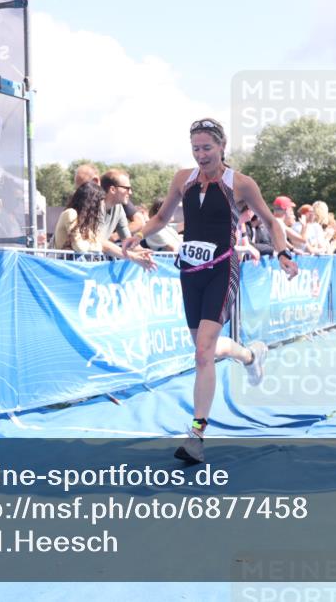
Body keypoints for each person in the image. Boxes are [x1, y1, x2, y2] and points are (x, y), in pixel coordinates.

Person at [125, 118, 298, 464]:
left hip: (223, 267)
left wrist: (282, 252)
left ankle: (196, 436)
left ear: (222, 147)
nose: (201, 155)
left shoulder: (241, 184)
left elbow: (270, 221)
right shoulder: (182, 179)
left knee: (203, 352)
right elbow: (161, 218)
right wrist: (136, 236)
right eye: (195, 148)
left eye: (207, 148)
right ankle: (250, 355)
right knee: (205, 349)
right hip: (190, 270)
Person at [54, 181, 106, 253]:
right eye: (100, 201)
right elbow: (79, 247)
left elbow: (99, 247)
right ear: (93, 202)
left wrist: (88, 244)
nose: (102, 204)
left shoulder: (87, 222)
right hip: (63, 262)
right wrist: (90, 244)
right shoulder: (71, 213)